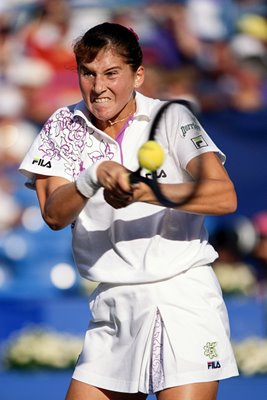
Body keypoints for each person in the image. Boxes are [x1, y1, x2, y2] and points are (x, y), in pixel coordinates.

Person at [19, 22, 239, 400]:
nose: (98, 86)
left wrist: (144, 191)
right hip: (112, 305)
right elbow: (54, 214)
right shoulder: (61, 126)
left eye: (111, 73)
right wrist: (92, 179)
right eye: (87, 73)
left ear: (138, 75)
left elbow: (223, 196)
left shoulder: (171, 118)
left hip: (183, 296)